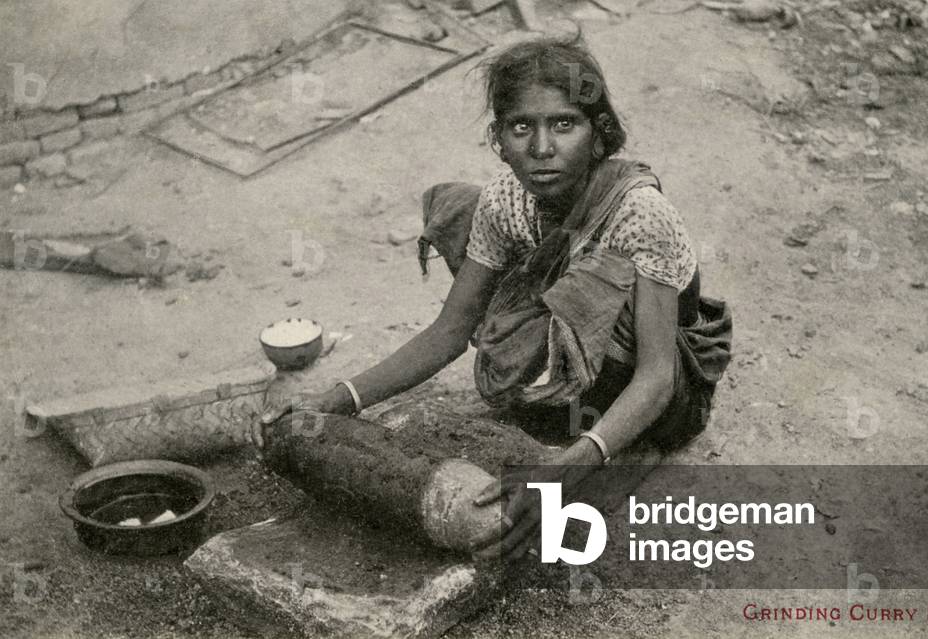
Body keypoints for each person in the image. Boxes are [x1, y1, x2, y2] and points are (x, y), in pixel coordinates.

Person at [254, 36, 731, 561]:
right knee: (463, 207)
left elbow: (657, 375)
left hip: (655, 377)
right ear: (499, 138)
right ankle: (554, 399)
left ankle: (593, 427)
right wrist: (339, 400)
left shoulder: (640, 214)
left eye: (564, 124)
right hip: (568, 358)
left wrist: (566, 471)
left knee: (592, 280)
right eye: (521, 127)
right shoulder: (508, 199)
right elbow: (450, 331)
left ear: (599, 135)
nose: (542, 148)